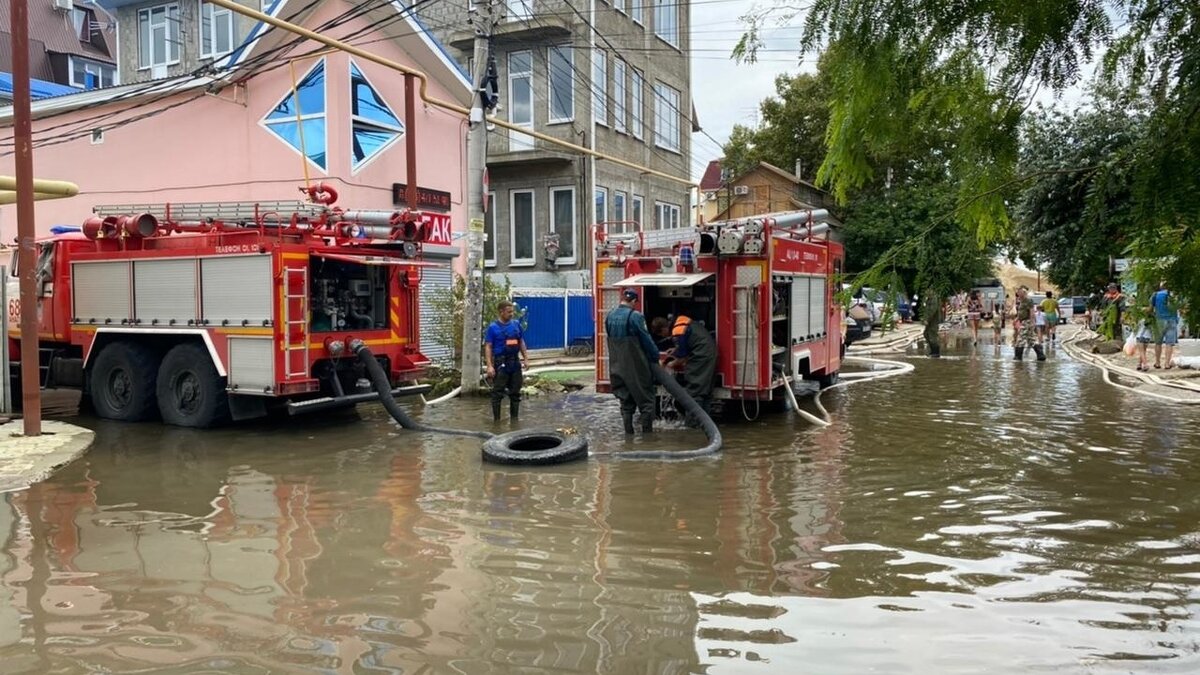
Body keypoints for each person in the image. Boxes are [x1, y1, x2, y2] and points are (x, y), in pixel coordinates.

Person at [605, 289, 659, 433]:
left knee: (625, 402)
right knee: (646, 402)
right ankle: (648, 440)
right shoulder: (635, 316)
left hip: (616, 366)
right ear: (634, 301)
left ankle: (628, 436)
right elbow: (646, 340)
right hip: (636, 367)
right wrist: (655, 357)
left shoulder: (609, 316)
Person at [662, 314, 717, 427]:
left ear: (663, 329)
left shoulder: (678, 330)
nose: (666, 337)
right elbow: (689, 342)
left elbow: (682, 357)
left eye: (662, 334)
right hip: (709, 353)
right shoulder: (682, 322)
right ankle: (705, 425)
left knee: (694, 392)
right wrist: (675, 350)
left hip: (700, 356)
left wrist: (670, 364)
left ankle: (691, 428)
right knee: (705, 394)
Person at [485, 300, 528, 421]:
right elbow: (488, 346)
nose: (511, 314)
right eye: (509, 312)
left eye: (512, 312)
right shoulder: (493, 328)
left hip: (515, 363)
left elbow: (521, 342)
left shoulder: (516, 324)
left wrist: (526, 359)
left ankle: (514, 420)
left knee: (515, 393)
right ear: (501, 312)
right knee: (497, 393)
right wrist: (489, 366)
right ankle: (496, 422)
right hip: (501, 364)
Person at [1151, 281, 1179, 369]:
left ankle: (1157, 363)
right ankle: (1167, 364)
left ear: (1161, 286)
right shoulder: (1174, 295)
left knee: (1158, 343)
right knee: (1169, 343)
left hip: (1159, 320)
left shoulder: (1155, 295)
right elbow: (1180, 306)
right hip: (1172, 320)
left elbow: (1151, 308)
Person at [1013, 286, 1046, 361]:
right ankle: (1040, 355)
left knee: (1020, 339)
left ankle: (1018, 357)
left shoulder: (1028, 300)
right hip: (1023, 320)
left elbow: (1031, 311)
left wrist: (1032, 322)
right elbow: (1021, 312)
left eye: (1019, 292)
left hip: (1027, 321)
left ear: (1024, 293)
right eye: (1018, 292)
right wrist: (1017, 319)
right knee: (1032, 339)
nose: (1018, 294)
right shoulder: (1022, 301)